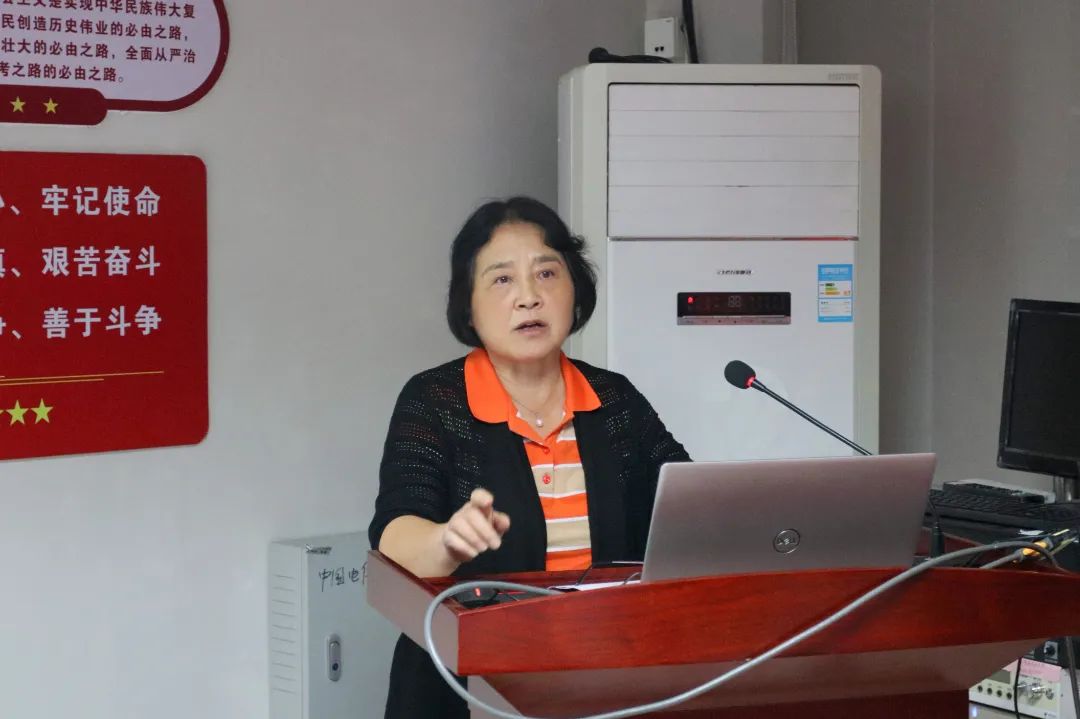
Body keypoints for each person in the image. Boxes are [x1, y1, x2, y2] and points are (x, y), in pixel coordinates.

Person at [368, 196, 690, 718]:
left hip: (604, 682)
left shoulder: (614, 400)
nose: (529, 297)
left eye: (546, 273)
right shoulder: (435, 400)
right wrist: (446, 542)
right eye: (502, 279)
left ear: (575, 289)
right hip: (464, 689)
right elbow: (394, 533)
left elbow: (686, 508)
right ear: (468, 306)